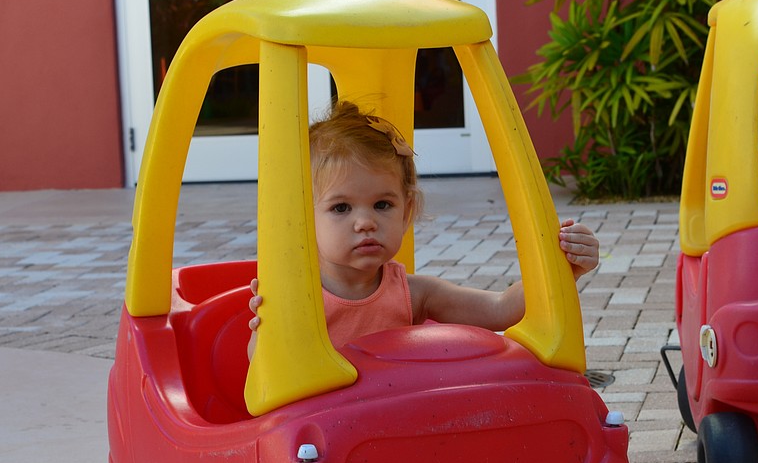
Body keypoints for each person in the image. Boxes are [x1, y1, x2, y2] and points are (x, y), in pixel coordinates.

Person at [247, 101, 599, 359]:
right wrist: (270, 327)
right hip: (319, 433)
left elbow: (500, 309)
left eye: (382, 205)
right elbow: (265, 368)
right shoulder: (298, 296)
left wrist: (562, 269)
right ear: (302, 220)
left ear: (407, 211)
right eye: (341, 208)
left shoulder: (414, 294)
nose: (365, 222)